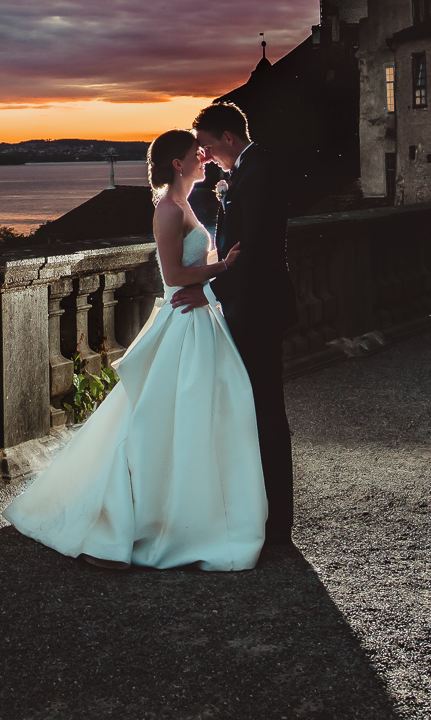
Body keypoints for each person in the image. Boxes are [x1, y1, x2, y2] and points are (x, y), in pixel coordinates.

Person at [2, 129, 267, 571]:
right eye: (195, 155)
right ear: (177, 165)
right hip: (183, 320)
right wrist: (224, 266)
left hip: (199, 321)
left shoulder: (184, 205)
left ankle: (191, 515)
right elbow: (175, 274)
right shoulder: (167, 209)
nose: (204, 160)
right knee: (157, 423)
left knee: (197, 420)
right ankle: (128, 522)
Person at [177, 100, 296, 551]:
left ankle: (276, 527)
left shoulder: (258, 169)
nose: (205, 155)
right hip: (251, 304)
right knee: (255, 410)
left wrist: (207, 292)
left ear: (229, 138)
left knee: (264, 412)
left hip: (258, 307)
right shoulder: (247, 170)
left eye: (208, 145)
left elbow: (256, 250)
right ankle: (260, 518)